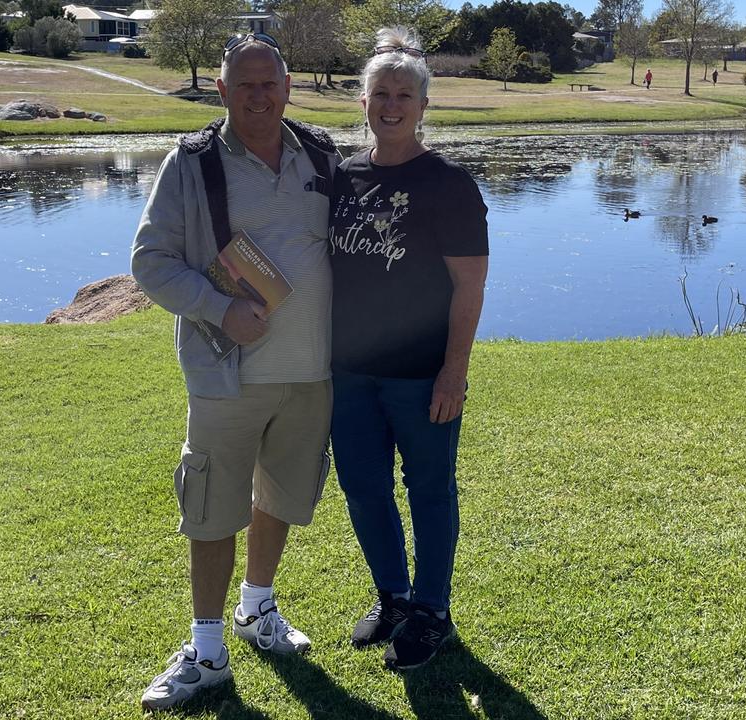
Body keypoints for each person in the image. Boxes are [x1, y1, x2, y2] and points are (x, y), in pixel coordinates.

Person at [130, 32, 340, 711]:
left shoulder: (321, 156)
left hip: (312, 374)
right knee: (213, 508)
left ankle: (257, 611)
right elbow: (151, 263)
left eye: (269, 83)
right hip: (227, 375)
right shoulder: (190, 165)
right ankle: (207, 649)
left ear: (288, 87)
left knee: (280, 494)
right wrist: (221, 309)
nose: (258, 95)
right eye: (244, 84)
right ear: (221, 91)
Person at [327, 26, 489, 672]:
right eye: (380, 93)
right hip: (352, 374)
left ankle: (432, 611)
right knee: (363, 488)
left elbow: (468, 286)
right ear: (363, 103)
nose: (391, 104)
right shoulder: (342, 177)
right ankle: (393, 597)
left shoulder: (449, 185)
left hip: (422, 376)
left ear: (423, 107)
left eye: (404, 94)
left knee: (428, 490)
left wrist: (455, 371)